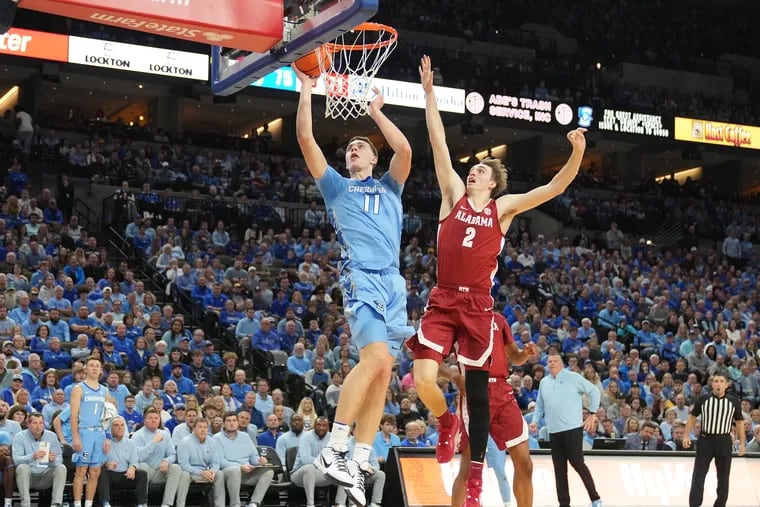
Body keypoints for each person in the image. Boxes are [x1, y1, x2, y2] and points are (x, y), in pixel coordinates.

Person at [407, 55, 587, 506]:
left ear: (494, 183)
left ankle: (474, 480)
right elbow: (438, 143)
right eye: (474, 168)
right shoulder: (451, 194)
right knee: (423, 377)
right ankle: (446, 422)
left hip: (477, 307)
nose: (473, 171)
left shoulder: (501, 210)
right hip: (442, 298)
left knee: (479, 392)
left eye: (482, 170)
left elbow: (553, 190)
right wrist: (429, 95)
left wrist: (578, 152)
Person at [293, 60, 414, 505]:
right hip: (361, 278)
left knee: (384, 369)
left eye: (360, 148)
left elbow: (406, 153)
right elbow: (306, 139)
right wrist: (307, 91)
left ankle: (359, 459)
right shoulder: (337, 188)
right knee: (375, 359)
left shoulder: (390, 187)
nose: (352, 152)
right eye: (349, 150)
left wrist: (377, 113)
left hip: (393, 284)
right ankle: (334, 447)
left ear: (373, 157)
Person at [446, 312, 537, 507]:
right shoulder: (458, 318)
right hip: (475, 390)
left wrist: (525, 354)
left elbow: (515, 357)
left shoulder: (499, 320)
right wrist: (455, 376)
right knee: (469, 466)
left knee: (525, 465)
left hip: (503, 390)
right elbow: (430, 362)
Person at [530, 353, 602, 507]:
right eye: (549, 361)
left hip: (572, 429)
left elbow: (594, 391)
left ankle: (595, 498)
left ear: (562, 363)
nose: (552, 363)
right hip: (554, 431)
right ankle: (564, 503)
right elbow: (539, 405)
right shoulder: (544, 382)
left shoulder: (573, 377)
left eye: (555, 361)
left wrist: (592, 413)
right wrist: (535, 421)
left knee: (577, 463)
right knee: (559, 469)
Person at [683, 369, 745, 507]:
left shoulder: (734, 401)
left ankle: (720, 505)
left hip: (724, 441)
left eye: (721, 381)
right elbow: (692, 418)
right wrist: (686, 435)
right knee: (698, 475)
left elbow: (740, 422)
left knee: (723, 477)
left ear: (726, 385)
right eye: (716, 381)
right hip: (706, 440)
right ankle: (694, 504)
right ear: (712, 384)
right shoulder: (703, 399)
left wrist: (742, 443)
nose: (718, 384)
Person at [70, 356, 109, 507]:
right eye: (91, 365)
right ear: (86, 369)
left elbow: (109, 416)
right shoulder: (79, 388)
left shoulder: (104, 391)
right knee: (81, 469)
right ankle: (77, 503)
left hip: (99, 434)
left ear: (100, 371)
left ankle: (89, 503)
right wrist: (76, 437)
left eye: (97, 366)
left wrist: (107, 437)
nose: (94, 368)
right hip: (85, 434)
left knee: (95, 472)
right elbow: (73, 414)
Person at [214, 411, 274, 507]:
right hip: (228, 473)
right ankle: (235, 504)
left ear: (238, 423)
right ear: (224, 424)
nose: (231, 423)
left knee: (268, 472)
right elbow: (220, 462)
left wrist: (259, 461)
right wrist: (240, 467)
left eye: (234, 420)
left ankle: (254, 503)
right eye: (228, 421)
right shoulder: (217, 438)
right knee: (235, 470)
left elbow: (253, 456)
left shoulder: (245, 436)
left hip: (247, 472)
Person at [12, 413, 67, 507]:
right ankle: (26, 504)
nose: (38, 426)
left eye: (41, 423)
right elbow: (16, 460)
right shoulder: (19, 436)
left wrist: (53, 460)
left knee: (61, 468)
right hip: (28, 477)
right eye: (35, 423)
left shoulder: (52, 436)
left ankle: (56, 504)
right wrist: (33, 456)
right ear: (28, 424)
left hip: (46, 475)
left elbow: (59, 459)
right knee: (22, 467)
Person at [97, 416, 148, 507]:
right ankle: (105, 502)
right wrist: (106, 463)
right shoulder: (105, 443)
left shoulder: (130, 443)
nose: (119, 427)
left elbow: (135, 460)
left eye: (122, 425)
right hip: (110, 476)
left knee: (142, 473)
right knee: (102, 469)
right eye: (116, 425)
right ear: (111, 428)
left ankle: (141, 503)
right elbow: (97, 460)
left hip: (125, 475)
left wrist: (132, 467)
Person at [176, 418, 225, 507]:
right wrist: (201, 472)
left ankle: (219, 505)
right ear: (193, 429)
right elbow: (183, 465)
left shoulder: (213, 442)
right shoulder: (184, 443)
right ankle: (180, 505)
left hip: (207, 472)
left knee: (220, 474)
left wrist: (212, 472)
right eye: (200, 427)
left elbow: (216, 462)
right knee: (183, 475)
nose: (203, 430)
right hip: (191, 473)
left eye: (205, 427)